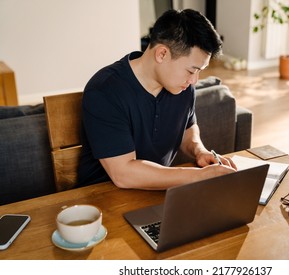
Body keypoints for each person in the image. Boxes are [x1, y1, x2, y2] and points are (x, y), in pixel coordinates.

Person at [77, 9, 237, 190]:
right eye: (192, 70)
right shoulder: (105, 91)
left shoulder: (183, 87)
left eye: (200, 71)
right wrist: (199, 176)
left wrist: (199, 151)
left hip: (158, 193)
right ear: (162, 54)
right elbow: (123, 175)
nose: (194, 80)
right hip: (104, 198)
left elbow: (187, 129)